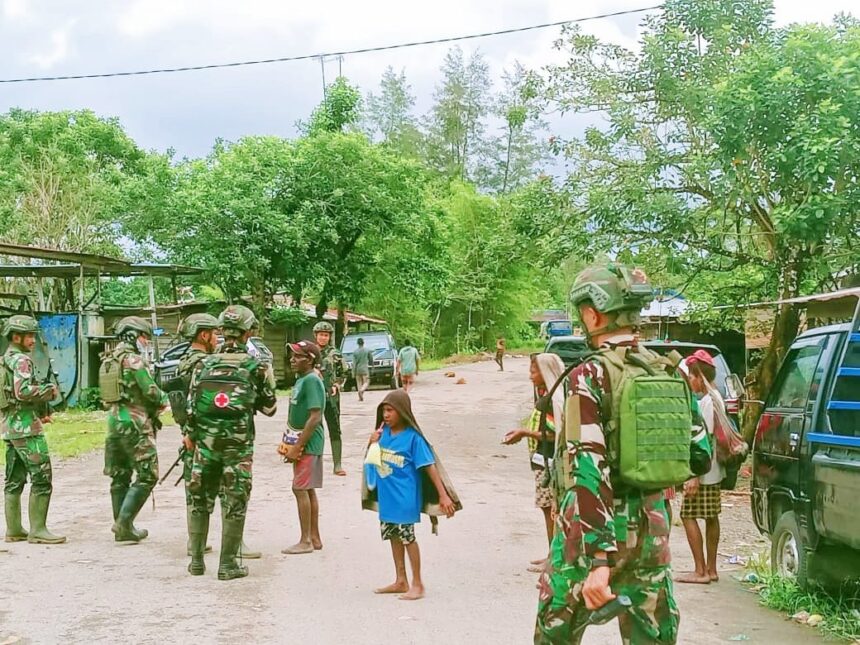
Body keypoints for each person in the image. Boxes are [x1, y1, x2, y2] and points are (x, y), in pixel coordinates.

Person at [534, 264, 712, 645]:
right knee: (653, 636)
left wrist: (599, 561)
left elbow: (588, 470)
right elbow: (700, 456)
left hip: (590, 540)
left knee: (555, 633)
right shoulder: (669, 372)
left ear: (591, 313)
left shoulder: (589, 375)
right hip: (653, 535)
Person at [186, 305, 277, 579]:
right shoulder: (256, 366)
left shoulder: (202, 364)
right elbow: (270, 407)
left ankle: (197, 563)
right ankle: (227, 565)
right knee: (234, 501)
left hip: (205, 446)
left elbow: (191, 410)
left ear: (222, 331)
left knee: (200, 499)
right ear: (249, 331)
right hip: (237, 449)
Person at [364, 390, 457, 600]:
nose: (386, 415)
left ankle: (418, 583)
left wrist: (443, 495)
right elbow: (371, 461)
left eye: (390, 410)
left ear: (402, 412)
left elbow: (429, 467)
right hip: (387, 499)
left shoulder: (413, 439)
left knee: (408, 538)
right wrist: (372, 442)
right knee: (393, 537)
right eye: (383, 411)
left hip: (404, 500)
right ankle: (400, 580)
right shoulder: (382, 435)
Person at [101, 316, 167, 544]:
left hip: (114, 422)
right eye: (144, 336)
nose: (146, 341)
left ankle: (123, 528)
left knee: (120, 475)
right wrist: (164, 399)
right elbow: (151, 392)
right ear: (132, 335)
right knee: (148, 474)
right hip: (135, 422)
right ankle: (124, 523)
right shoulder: (133, 360)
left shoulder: (110, 360)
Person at [1, 315, 65, 544]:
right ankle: (38, 530)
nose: (33, 340)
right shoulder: (21, 361)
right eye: (29, 336)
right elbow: (22, 391)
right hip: (27, 429)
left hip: (9, 427)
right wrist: (49, 390)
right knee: (42, 477)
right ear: (15, 336)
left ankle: (14, 529)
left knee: (14, 479)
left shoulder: (4, 359)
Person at [503, 353, 565, 572]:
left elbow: (554, 434)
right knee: (547, 509)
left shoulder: (552, 399)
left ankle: (555, 559)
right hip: (543, 460)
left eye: (533, 371)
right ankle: (552, 553)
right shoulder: (550, 395)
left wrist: (525, 433)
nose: (530, 376)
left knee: (551, 510)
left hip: (550, 463)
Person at [171, 313, 220, 558]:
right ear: (204, 335)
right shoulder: (206, 363)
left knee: (193, 488)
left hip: (189, 434)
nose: (218, 338)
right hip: (206, 434)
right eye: (215, 333)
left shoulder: (183, 361)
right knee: (224, 488)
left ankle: (195, 542)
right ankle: (235, 544)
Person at [677, 350, 726, 585]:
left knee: (687, 515)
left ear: (698, 376)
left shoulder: (706, 402)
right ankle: (712, 568)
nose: (689, 382)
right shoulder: (718, 397)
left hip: (703, 471)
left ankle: (700, 570)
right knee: (711, 517)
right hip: (715, 470)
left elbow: (701, 439)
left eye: (691, 376)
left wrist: (693, 475)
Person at [280, 340, 326, 555]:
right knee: (307, 489)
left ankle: (305, 540)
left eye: (298, 356)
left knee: (299, 488)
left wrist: (298, 446)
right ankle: (314, 536)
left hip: (308, 444)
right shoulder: (301, 380)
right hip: (302, 441)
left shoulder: (311, 381)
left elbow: (315, 416)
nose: (292, 359)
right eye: (292, 355)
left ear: (310, 359)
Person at [313, 321, 348, 476]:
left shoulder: (336, 354)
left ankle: (337, 465)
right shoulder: (310, 353)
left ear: (329, 337)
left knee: (335, 429)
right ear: (316, 336)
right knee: (314, 429)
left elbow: (344, 372)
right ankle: (314, 465)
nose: (323, 338)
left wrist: (337, 385)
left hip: (331, 397)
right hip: (314, 397)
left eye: (326, 335)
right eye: (321, 335)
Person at [352, 337, 371, 402]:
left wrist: (353, 372)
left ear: (357, 343)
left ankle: (360, 397)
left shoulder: (355, 352)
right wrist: (372, 366)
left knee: (359, 383)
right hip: (365, 369)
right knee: (366, 382)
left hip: (357, 369)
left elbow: (354, 363)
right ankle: (362, 390)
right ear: (363, 343)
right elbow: (371, 359)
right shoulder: (367, 350)